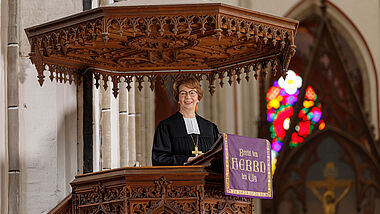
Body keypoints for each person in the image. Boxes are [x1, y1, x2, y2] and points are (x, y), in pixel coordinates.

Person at [152, 77, 220, 166]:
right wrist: (188, 159)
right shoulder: (166, 126)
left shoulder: (210, 127)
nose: (188, 97)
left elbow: (218, 156)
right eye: (183, 93)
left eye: (192, 93)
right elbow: (159, 159)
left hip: (207, 178)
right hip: (180, 178)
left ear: (198, 98)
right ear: (178, 99)